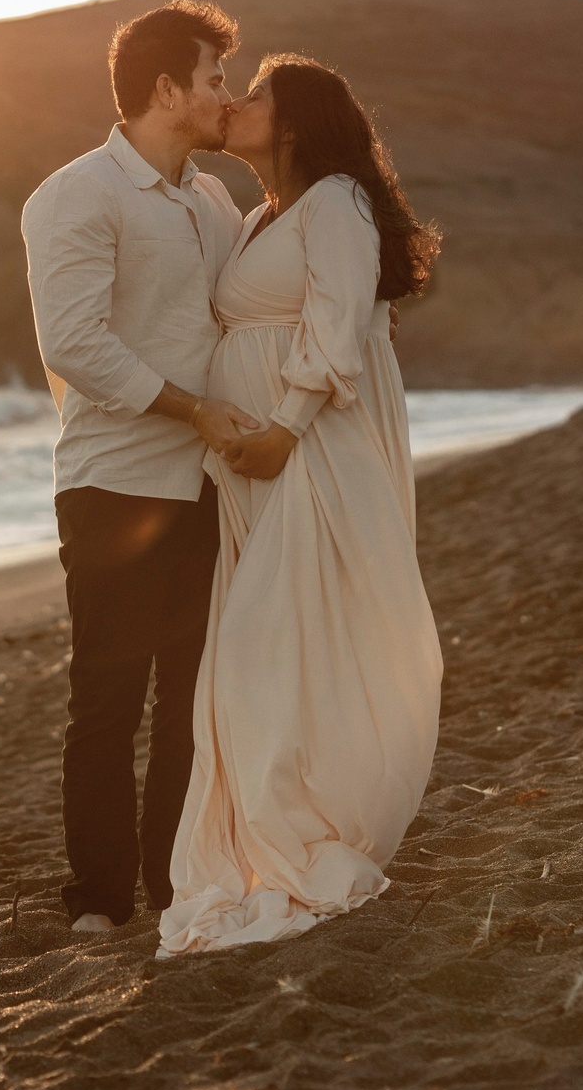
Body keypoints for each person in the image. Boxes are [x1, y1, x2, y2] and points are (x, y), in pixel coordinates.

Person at [159, 54, 445, 956]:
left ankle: (318, 829)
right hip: (259, 467)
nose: (234, 101)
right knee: (281, 644)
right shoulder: (255, 216)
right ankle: (283, 825)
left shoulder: (337, 203)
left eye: (256, 94)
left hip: (312, 454)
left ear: (294, 122)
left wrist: (281, 429)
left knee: (273, 644)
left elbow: (335, 323)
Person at [21, 0, 263, 933]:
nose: (224, 96)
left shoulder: (211, 200)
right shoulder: (74, 195)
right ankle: (97, 901)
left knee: (190, 700)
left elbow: (249, 311)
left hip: (206, 484)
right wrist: (193, 408)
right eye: (212, 79)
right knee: (107, 701)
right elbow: (74, 342)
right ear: (165, 87)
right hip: (112, 482)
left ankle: (173, 886)